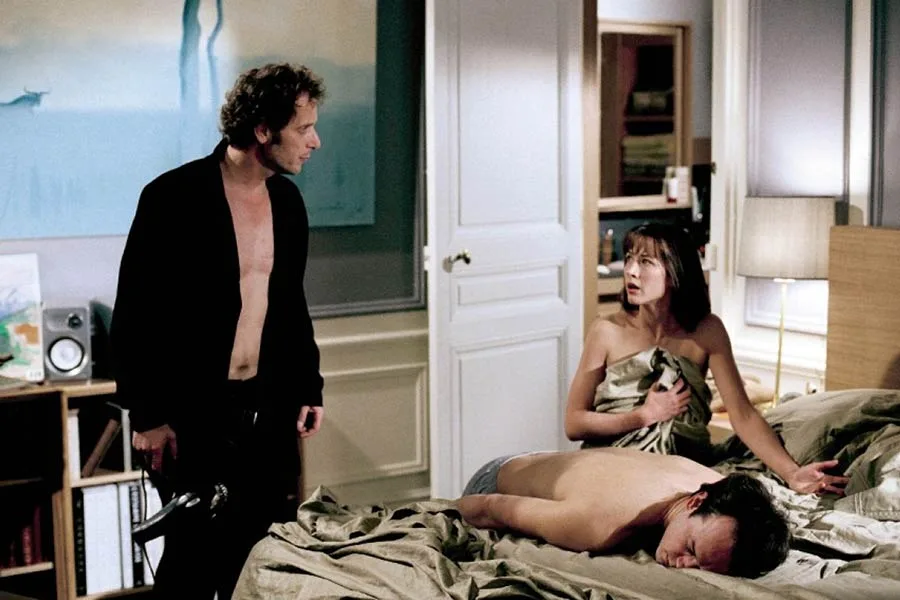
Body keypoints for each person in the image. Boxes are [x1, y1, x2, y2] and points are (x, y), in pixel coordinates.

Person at [110, 63, 326, 599]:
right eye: (303, 128)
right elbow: (135, 310)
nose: (314, 142)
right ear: (262, 129)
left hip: (267, 406)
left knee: (257, 552)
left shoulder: (288, 202)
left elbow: (289, 305)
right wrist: (148, 416)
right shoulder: (172, 196)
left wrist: (309, 385)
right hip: (192, 412)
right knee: (191, 558)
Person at [565, 223, 848, 496]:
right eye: (629, 258)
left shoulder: (708, 331)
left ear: (675, 272)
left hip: (684, 465)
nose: (630, 270)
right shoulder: (606, 331)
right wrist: (642, 416)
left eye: (645, 262)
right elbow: (574, 423)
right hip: (615, 462)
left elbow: (743, 415)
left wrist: (791, 473)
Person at [457, 447, 791, 578]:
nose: (684, 564)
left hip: (559, 461)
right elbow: (488, 507)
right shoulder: (598, 524)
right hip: (496, 477)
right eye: (691, 549)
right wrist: (443, 510)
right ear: (694, 502)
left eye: (701, 566)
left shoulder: (722, 488)